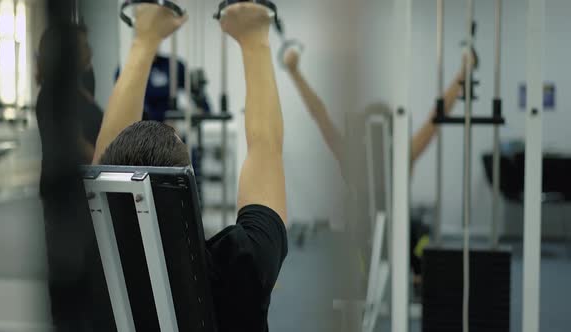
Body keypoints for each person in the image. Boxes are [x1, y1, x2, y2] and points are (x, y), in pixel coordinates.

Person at [92, 3, 287, 331]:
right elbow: (266, 148)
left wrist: (143, 40)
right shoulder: (239, 267)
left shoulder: (98, 265)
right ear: (187, 184)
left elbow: (103, 162)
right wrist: (255, 40)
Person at [282, 46, 476, 282]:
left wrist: (294, 72)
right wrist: (463, 72)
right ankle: (410, 273)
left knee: (410, 231)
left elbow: (319, 114)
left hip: (373, 235)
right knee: (417, 232)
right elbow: (436, 117)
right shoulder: (403, 154)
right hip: (384, 236)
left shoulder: (352, 156)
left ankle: (402, 272)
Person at [35, 23, 114, 331]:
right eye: (83, 47)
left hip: (85, 197)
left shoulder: (82, 84)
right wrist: (112, 157)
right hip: (66, 201)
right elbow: (79, 147)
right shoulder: (53, 96)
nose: (89, 52)